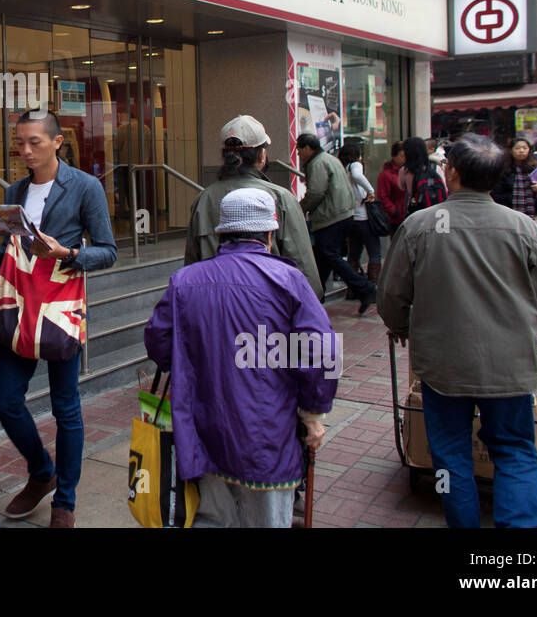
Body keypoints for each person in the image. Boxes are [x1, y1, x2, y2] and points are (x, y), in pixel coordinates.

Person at [378, 133, 537, 528]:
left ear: (453, 172)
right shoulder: (524, 228)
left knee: (451, 454)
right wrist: (532, 335)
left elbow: (392, 297)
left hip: (443, 364)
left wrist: (403, 326)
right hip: (510, 364)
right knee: (515, 449)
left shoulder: (420, 226)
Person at [145, 188, 336, 527]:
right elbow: (320, 349)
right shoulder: (289, 280)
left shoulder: (185, 280)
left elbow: (158, 340)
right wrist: (312, 413)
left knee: (211, 518)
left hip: (203, 432)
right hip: (267, 438)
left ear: (223, 232)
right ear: (269, 233)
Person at [0, 109, 117, 528]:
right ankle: (42, 473)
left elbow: (108, 251)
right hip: (18, 305)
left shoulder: (85, 187)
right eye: (19, 143)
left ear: (58, 142)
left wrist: (68, 254)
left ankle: (65, 501)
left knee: (65, 407)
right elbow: (7, 258)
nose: (25, 151)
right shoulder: (16, 189)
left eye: (34, 142)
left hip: (57, 307)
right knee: (6, 401)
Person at [184, 114, 322, 300]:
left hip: (215, 311)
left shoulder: (202, 200)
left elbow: (191, 265)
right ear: (262, 154)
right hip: (270, 314)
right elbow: (305, 271)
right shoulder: (282, 199)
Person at [296, 132, 377, 314]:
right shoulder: (329, 159)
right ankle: (316, 297)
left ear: (308, 148)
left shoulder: (317, 163)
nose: (299, 154)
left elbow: (316, 193)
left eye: (299, 150)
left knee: (328, 255)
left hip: (331, 217)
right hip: (343, 214)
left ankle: (365, 288)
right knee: (322, 258)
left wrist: (299, 208)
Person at [338, 139, 381, 286]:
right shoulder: (355, 166)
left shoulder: (344, 169)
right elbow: (358, 175)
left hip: (351, 217)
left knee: (354, 254)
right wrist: (370, 190)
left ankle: (353, 288)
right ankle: (373, 286)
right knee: (374, 252)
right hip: (364, 217)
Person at [491, 137, 537, 220]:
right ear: (510, 150)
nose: (521, 151)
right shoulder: (504, 170)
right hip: (509, 214)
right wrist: (512, 197)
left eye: (524, 148)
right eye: (517, 148)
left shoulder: (536, 169)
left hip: (535, 215)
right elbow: (496, 194)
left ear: (529, 150)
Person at [399, 137, 447, 216]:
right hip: (435, 211)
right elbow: (444, 187)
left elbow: (401, 187)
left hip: (415, 210)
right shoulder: (435, 167)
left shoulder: (404, 170)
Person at [377, 140, 408, 230]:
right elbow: (383, 197)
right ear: (394, 156)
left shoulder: (409, 171)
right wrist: (394, 211)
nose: (405, 159)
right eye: (402, 156)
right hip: (396, 219)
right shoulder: (386, 175)